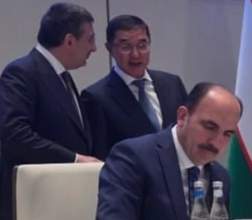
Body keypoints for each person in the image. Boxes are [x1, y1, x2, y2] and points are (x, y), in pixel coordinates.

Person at [84, 82, 241, 220]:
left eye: (227, 134)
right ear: (182, 116)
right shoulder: (133, 156)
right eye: (210, 127)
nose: (216, 142)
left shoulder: (220, 177)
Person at [0, 2, 98, 220]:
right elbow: (14, 133)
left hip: (64, 206)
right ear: (69, 40)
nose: (95, 48)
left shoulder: (62, 76)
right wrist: (75, 160)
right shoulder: (22, 73)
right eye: (90, 39)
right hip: (32, 208)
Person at [80, 14, 188, 158]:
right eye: (126, 47)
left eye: (142, 45)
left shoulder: (172, 84)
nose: (135, 54)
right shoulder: (96, 97)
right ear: (109, 48)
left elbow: (188, 133)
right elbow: (100, 155)